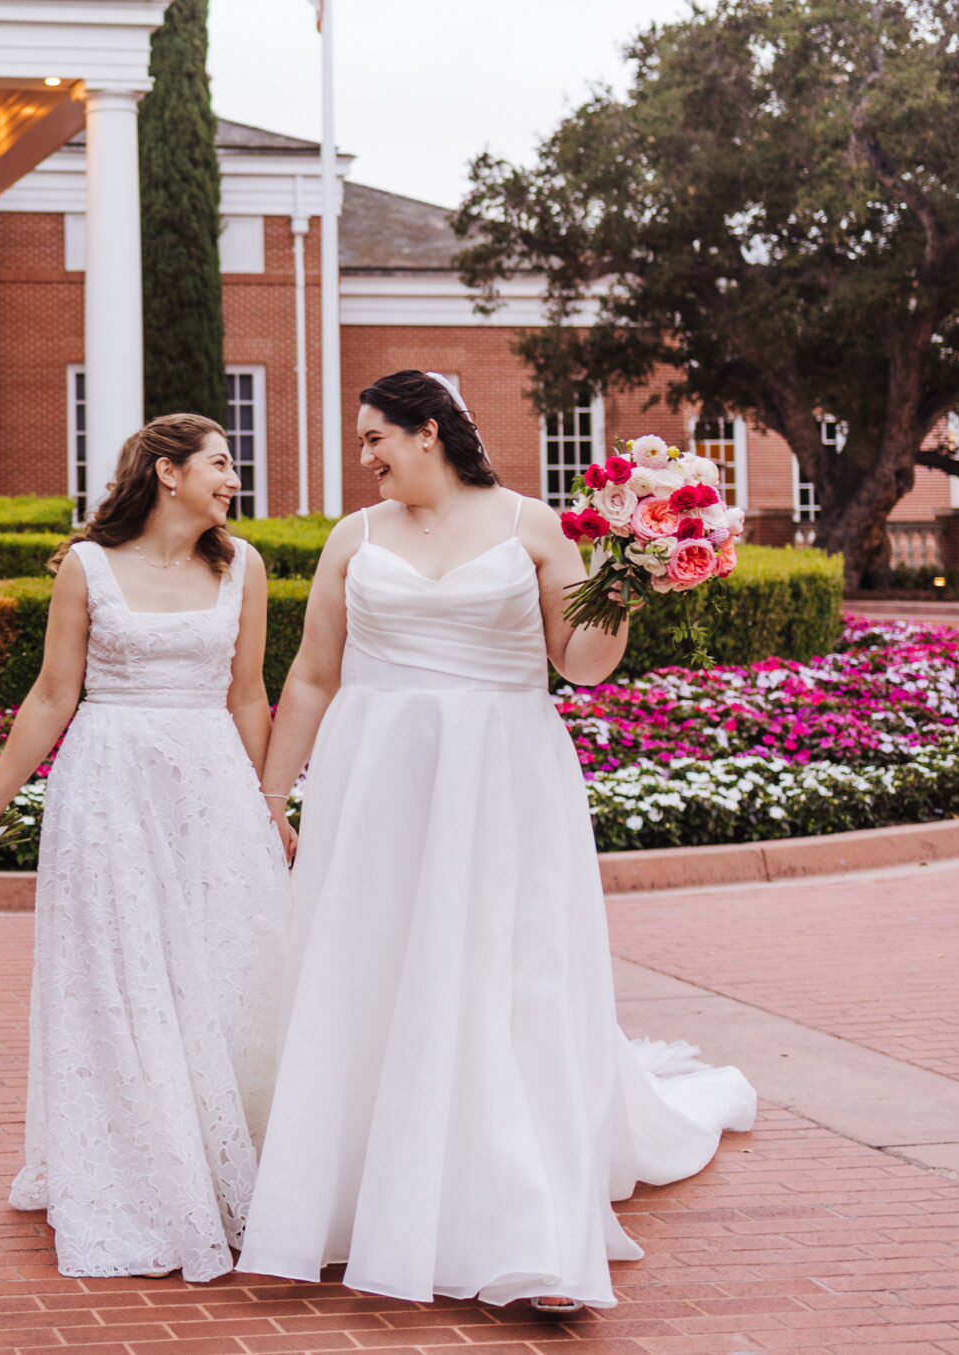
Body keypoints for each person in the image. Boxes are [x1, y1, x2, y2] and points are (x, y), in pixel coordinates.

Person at [234, 371, 754, 1313]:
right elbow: (311, 676)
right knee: (378, 970)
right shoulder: (355, 538)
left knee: (502, 977)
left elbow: (582, 664)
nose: (366, 458)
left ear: (428, 432)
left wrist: (625, 582)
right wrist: (272, 793)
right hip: (377, 783)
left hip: (501, 779)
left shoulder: (530, 527)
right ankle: (360, 1187)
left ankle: (526, 1225)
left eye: (375, 438)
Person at [0, 414, 295, 1282]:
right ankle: (140, 1172)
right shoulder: (87, 567)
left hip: (212, 787)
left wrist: (269, 804)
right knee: (121, 978)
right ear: (167, 473)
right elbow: (50, 695)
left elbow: (250, 694)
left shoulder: (243, 564)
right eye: (220, 463)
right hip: (107, 792)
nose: (233, 479)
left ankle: (229, 1164)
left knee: (225, 971)